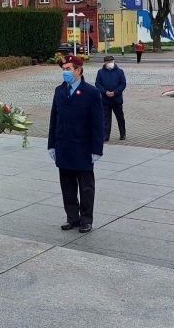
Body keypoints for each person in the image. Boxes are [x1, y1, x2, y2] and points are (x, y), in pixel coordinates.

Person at [48, 54, 104, 233]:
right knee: (67, 185)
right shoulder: (59, 90)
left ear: (79, 70)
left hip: (83, 147)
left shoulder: (92, 92)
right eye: (63, 70)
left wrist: (97, 149)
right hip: (64, 146)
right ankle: (72, 217)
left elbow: (98, 123)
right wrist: (52, 144)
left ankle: (86, 219)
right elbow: (53, 119)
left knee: (86, 187)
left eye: (68, 69)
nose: (65, 73)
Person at [94, 55, 127, 141]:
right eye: (108, 62)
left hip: (117, 99)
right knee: (106, 118)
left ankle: (122, 134)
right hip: (105, 99)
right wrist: (105, 92)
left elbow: (123, 84)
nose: (110, 63)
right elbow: (98, 84)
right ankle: (105, 135)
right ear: (104, 62)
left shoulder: (120, 72)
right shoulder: (100, 72)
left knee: (120, 118)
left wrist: (115, 92)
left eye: (111, 61)